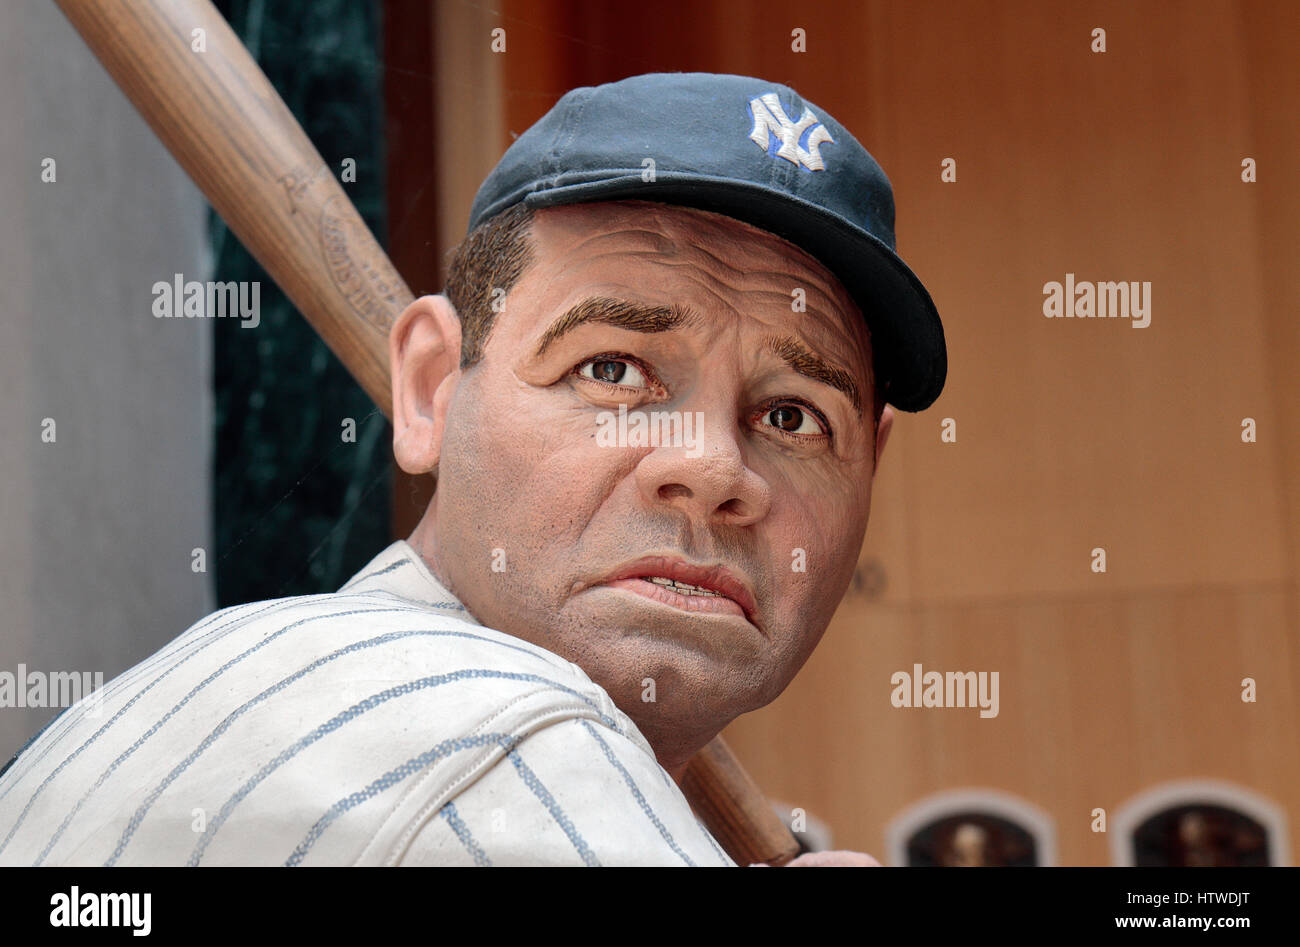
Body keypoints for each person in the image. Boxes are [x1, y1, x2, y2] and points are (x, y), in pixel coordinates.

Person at [0, 72, 945, 866]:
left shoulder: (223, 682)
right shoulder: (506, 749)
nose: (711, 468)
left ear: (874, 468)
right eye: (610, 370)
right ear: (427, 389)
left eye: (794, 415)